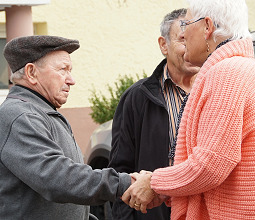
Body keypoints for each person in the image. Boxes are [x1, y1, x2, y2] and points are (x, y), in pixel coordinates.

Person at [121, 0, 255, 219]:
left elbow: (211, 165)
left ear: (207, 27)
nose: (184, 33)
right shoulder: (240, 68)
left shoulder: (227, 74)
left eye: (186, 25)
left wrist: (154, 183)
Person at [0, 35, 134, 220]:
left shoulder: (41, 112)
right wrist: (125, 183)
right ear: (31, 73)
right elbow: (56, 178)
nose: (71, 80)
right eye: (63, 70)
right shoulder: (20, 117)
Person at [108, 9, 199, 220]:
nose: (190, 49)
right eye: (183, 40)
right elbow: (121, 170)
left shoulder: (216, 92)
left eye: (196, 40)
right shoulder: (137, 97)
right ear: (163, 45)